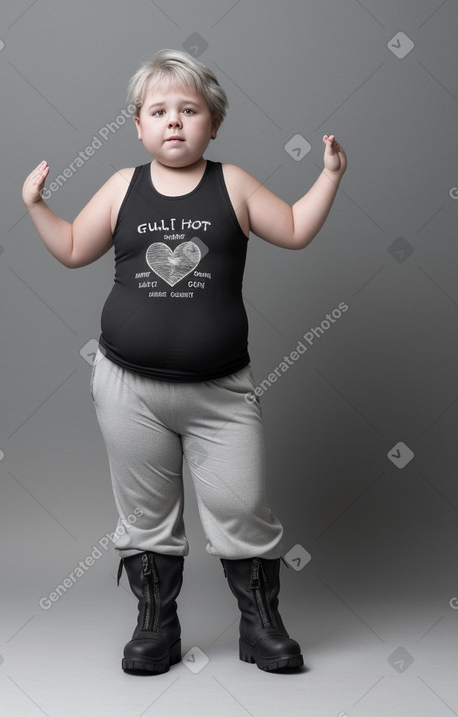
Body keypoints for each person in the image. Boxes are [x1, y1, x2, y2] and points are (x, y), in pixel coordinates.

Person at [22, 49, 347, 675]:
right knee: (144, 515)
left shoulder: (235, 184)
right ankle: (156, 625)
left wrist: (329, 174)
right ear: (138, 126)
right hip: (128, 388)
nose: (174, 122)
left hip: (220, 392)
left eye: (189, 110)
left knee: (242, 505)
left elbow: (297, 228)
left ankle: (261, 623)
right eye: (159, 111)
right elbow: (70, 248)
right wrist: (37, 205)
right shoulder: (122, 187)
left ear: (213, 123)